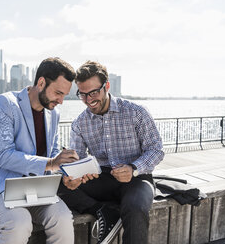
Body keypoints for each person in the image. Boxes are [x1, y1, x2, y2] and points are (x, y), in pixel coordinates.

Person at [0, 57, 79, 244]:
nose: (61, 101)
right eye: (58, 93)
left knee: (63, 218)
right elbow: (4, 156)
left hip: (38, 190)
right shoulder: (5, 103)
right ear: (41, 82)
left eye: (65, 95)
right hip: (1, 189)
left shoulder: (53, 112)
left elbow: (52, 152)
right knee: (19, 222)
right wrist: (52, 163)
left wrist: (67, 174)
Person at [58, 61, 164, 244]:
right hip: (103, 178)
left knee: (136, 208)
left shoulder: (136, 112)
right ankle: (104, 212)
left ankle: (107, 210)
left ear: (106, 86)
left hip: (137, 179)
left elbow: (156, 149)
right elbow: (78, 161)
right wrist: (74, 175)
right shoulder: (80, 123)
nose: (88, 100)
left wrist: (133, 168)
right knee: (60, 185)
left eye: (93, 92)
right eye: (82, 94)